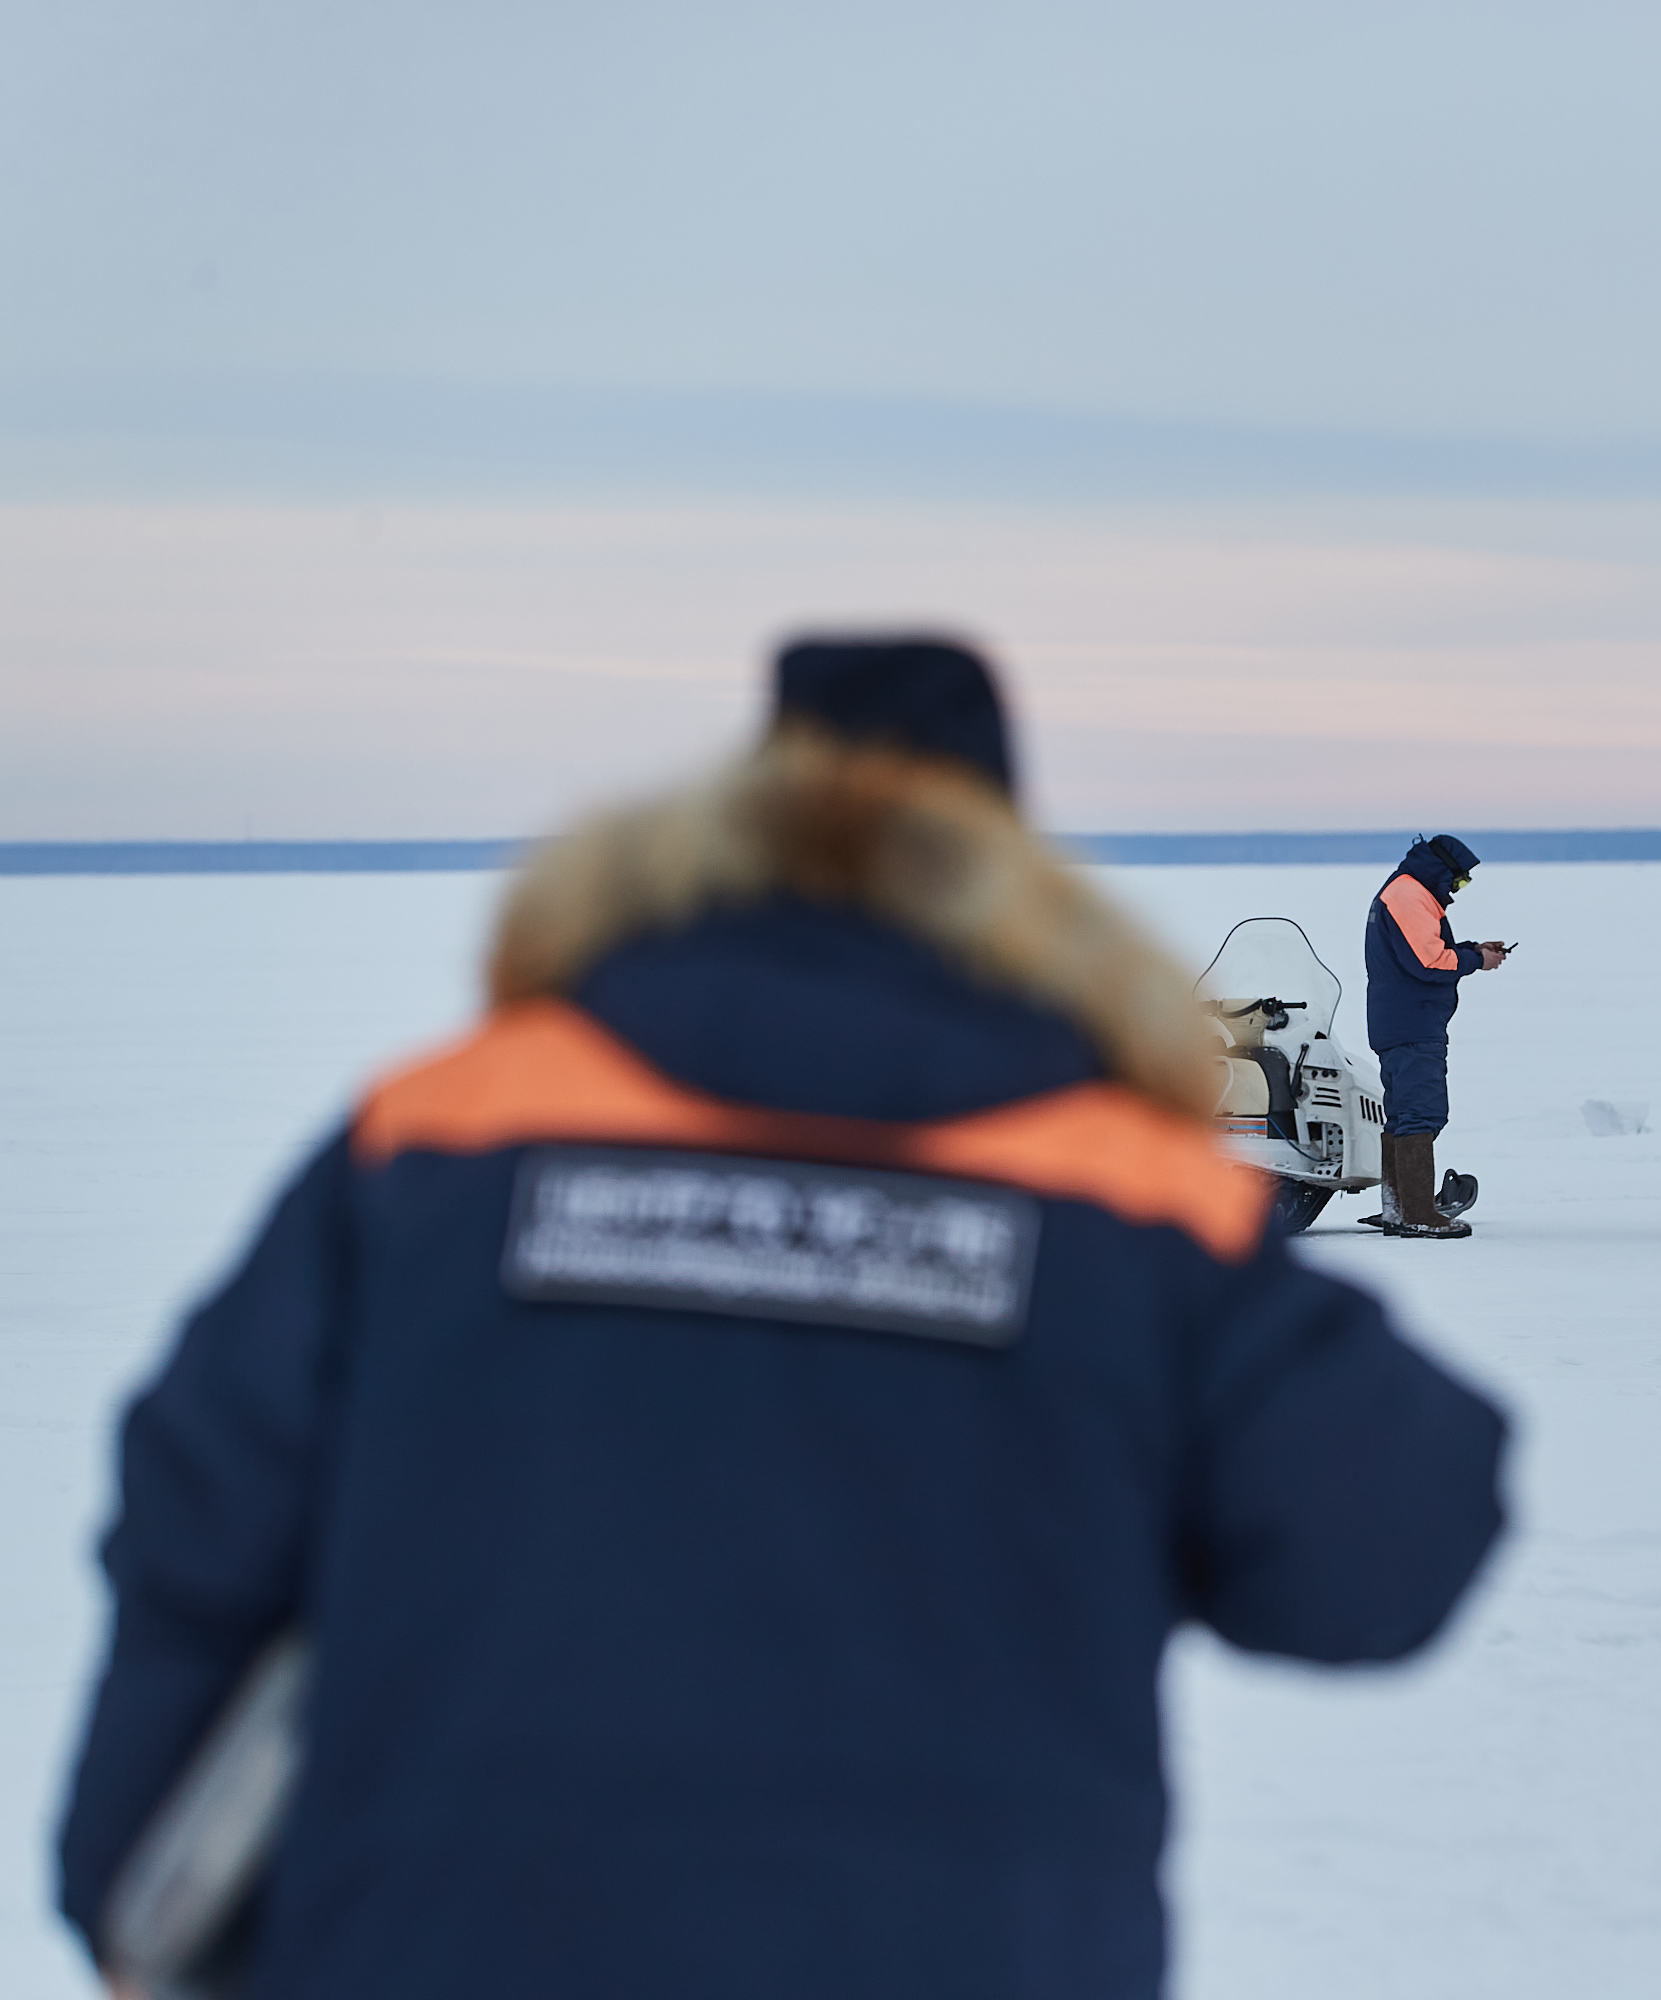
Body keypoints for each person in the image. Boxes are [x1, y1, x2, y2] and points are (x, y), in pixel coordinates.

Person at [56, 637, 1510, 2000]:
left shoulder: (446, 1134)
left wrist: (140, 1879)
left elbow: (201, 1502)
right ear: (1004, 867)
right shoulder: (1114, 1189)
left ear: (742, 825)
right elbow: (1390, 1539)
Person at [1363, 834, 1509, 1239]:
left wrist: (1470, 949)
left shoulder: (1406, 892)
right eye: (1458, 882)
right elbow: (1428, 962)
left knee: (1405, 1116)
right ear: (1441, 870)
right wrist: (1476, 960)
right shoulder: (1408, 895)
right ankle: (1417, 1213)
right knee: (1421, 1114)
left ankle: (1399, 1208)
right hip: (1413, 1024)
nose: (1456, 892)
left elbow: (1423, 950)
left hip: (1403, 1022)